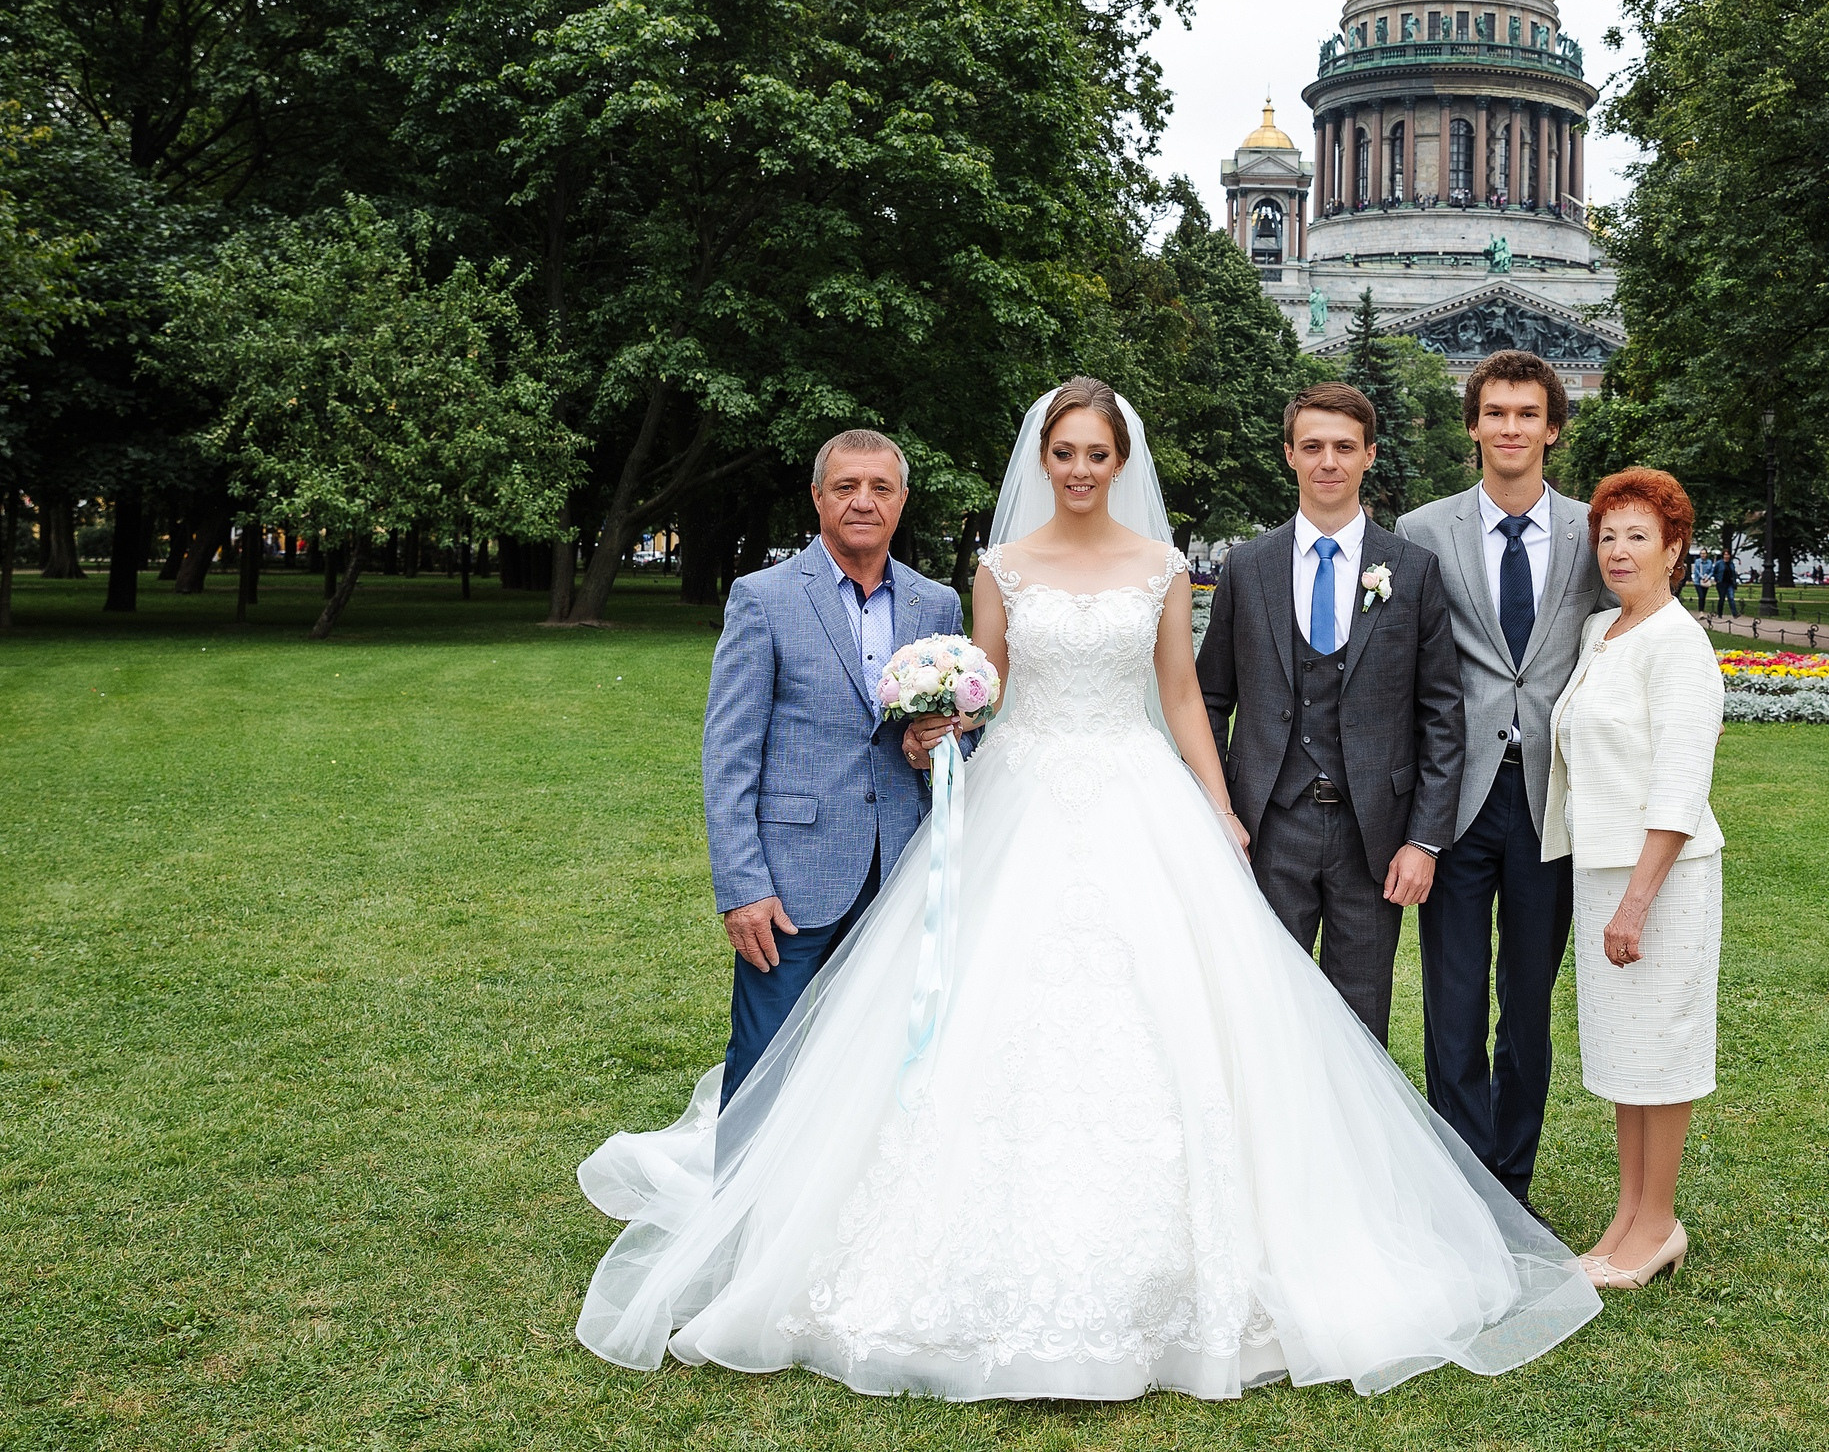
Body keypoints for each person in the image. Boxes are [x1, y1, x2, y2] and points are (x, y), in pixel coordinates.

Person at [574, 379, 1599, 1400]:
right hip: (1021, 796)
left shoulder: (1159, 566)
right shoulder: (998, 569)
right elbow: (991, 684)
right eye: (1062, 452)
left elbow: (1182, 692)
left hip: (1133, 795)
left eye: (1094, 454)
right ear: (1042, 458)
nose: (1076, 469)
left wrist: (1218, 804)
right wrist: (947, 718)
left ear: (1120, 463)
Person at [1395, 352, 1610, 1209]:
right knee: (1450, 1003)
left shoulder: (1595, 533)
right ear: (1473, 426)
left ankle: (1510, 1183)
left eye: (1527, 414)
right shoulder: (1421, 532)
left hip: (1552, 802)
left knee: (1528, 1003)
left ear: (1552, 427)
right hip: (1453, 799)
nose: (1510, 429)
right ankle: (1463, 1186)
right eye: (1495, 413)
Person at [1194, 381, 1466, 1044]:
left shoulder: (1413, 570)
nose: (1328, 461)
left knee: (1361, 1017)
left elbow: (1441, 712)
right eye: (1312, 446)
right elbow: (1208, 698)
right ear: (1289, 454)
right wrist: (1217, 813)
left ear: (1369, 454)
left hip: (1373, 835)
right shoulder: (1246, 567)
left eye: (1345, 447)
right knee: (1262, 1006)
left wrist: (1424, 841)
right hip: (1266, 828)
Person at [700, 430, 967, 1106]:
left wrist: (936, 745)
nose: (863, 502)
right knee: (763, 1063)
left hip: (904, 872)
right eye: (846, 487)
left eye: (880, 488)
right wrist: (741, 886)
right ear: (818, 497)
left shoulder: (935, 605)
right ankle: (738, 1213)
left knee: (884, 1061)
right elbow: (729, 754)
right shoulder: (764, 599)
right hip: (791, 883)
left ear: (902, 501)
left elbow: (963, 742)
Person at [1544, 467, 1726, 1290]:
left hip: (1661, 877)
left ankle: (1658, 1226)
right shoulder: (1601, 632)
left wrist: (1638, 902)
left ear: (1675, 548)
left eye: (1638, 536)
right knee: (1625, 1055)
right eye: (1607, 535)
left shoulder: (1679, 647)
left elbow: (1680, 788)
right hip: (1601, 867)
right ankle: (1626, 1216)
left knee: (1663, 1049)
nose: (1618, 551)